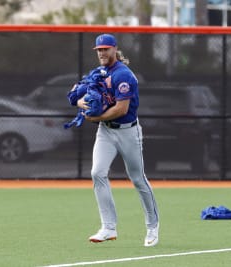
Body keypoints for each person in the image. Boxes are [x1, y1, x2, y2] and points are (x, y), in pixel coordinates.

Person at [76, 33, 159, 247]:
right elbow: (81, 93)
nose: (102, 53)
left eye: (105, 49)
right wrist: (81, 102)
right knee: (97, 172)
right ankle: (108, 228)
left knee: (137, 178)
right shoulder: (99, 73)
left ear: (115, 49)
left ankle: (152, 226)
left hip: (128, 132)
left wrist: (96, 116)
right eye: (99, 50)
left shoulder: (124, 75)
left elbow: (121, 109)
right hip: (106, 132)